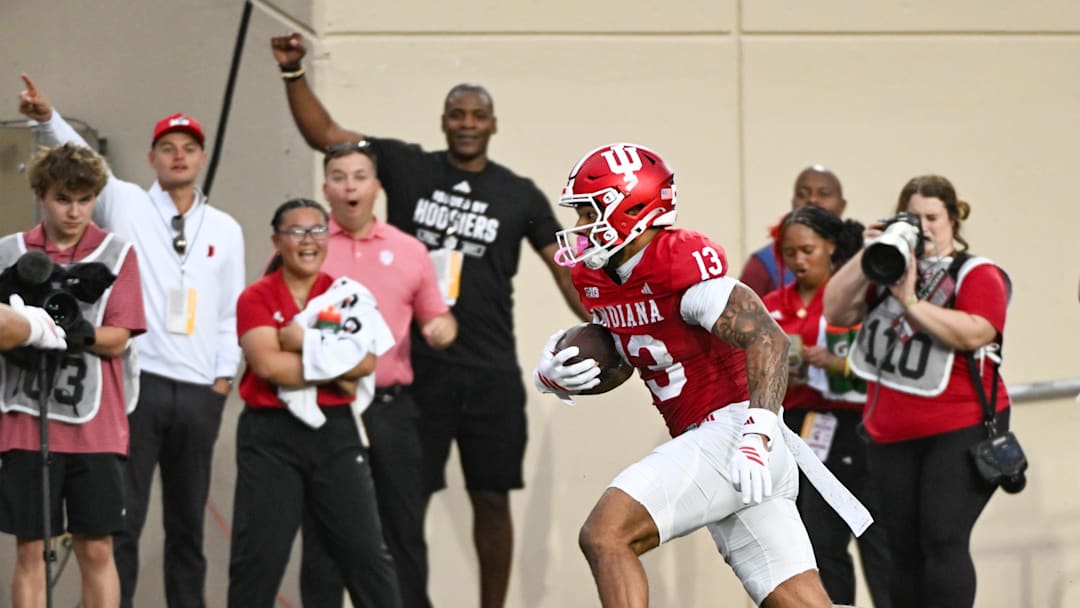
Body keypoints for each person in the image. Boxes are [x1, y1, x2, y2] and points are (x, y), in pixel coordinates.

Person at [269, 32, 588, 607]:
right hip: (417, 375)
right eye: (456, 114)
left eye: (478, 115)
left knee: (492, 499)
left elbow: (565, 271)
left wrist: (614, 324)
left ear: (494, 125)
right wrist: (294, 72)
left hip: (490, 373)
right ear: (443, 122)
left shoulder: (520, 195)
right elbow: (325, 136)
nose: (467, 123)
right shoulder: (406, 165)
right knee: (401, 500)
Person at [535, 143, 868, 607]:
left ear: (630, 208)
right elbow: (634, 356)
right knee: (801, 601)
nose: (580, 228)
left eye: (590, 212)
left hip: (735, 434)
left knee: (606, 534)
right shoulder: (601, 278)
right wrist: (563, 375)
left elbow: (767, 338)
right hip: (728, 446)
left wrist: (758, 431)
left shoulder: (677, 260)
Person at [19, 74, 246, 608]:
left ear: (201, 157)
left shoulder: (226, 227)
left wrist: (221, 378)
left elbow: (231, 309)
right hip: (137, 385)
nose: (178, 157)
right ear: (152, 158)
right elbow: (75, 159)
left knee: (188, 524)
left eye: (189, 148)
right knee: (119, 522)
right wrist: (47, 117)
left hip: (198, 391)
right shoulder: (123, 202)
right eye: (168, 148)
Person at [822, 175, 1012, 608]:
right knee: (901, 548)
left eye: (933, 217)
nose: (924, 227)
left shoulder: (976, 273)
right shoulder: (888, 267)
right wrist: (868, 255)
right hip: (891, 434)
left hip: (960, 428)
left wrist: (911, 302)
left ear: (952, 220)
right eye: (915, 217)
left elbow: (976, 332)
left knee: (942, 537)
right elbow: (835, 310)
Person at [298, 142, 457, 608]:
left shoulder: (409, 250)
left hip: (391, 411)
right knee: (323, 538)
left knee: (402, 533)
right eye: (339, 176)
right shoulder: (307, 248)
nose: (350, 186)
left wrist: (441, 328)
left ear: (377, 187)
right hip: (325, 409)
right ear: (325, 188)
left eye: (360, 176)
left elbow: (435, 316)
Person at [229, 198, 400, 607]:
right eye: (296, 231)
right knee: (260, 558)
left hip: (335, 431)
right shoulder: (256, 296)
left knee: (364, 554)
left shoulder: (345, 296)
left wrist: (305, 343)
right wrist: (336, 364)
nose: (308, 241)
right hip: (270, 435)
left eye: (317, 230)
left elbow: (365, 362)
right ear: (276, 240)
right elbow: (268, 365)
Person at [0, 142, 146, 607]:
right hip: (25, 417)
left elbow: (119, 337)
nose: (75, 210)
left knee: (97, 547)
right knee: (31, 549)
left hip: (95, 427)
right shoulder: (9, 251)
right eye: (64, 198)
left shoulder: (117, 254)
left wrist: (69, 332)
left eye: (84, 199)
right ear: (42, 194)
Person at [761, 206, 892, 607]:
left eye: (807, 250)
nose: (798, 261)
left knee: (878, 538)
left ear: (831, 248)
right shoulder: (768, 304)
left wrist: (838, 363)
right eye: (789, 253)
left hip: (859, 425)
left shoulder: (852, 298)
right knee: (820, 540)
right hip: (803, 430)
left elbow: (883, 360)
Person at [740, 166, 847, 297]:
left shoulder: (861, 257)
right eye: (803, 194)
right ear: (793, 202)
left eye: (823, 193)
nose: (812, 200)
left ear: (842, 205)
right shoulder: (762, 264)